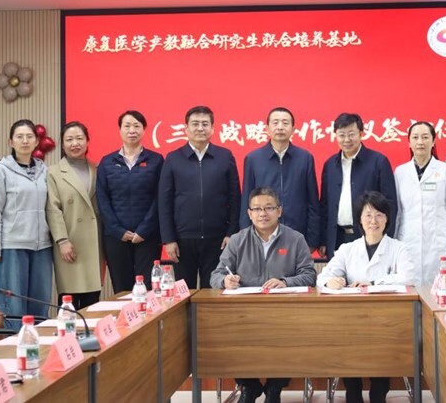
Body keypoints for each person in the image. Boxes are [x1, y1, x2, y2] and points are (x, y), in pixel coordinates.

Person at [210, 187, 316, 403]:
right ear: (249, 213)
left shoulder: (295, 239)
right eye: (257, 209)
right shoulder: (238, 240)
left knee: (291, 335)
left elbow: (310, 275)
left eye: (269, 208)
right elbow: (216, 275)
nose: (263, 214)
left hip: (285, 313)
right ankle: (249, 386)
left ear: (279, 211)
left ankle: (275, 388)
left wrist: (285, 282)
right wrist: (225, 281)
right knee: (228, 335)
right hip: (245, 314)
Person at [317, 191, 414, 403]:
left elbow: (408, 278)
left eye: (379, 215)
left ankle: (379, 393)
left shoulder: (398, 248)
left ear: (387, 219)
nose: (373, 221)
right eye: (368, 215)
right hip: (351, 320)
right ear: (360, 219)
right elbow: (322, 277)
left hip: (386, 320)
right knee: (347, 342)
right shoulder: (347, 249)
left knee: (384, 345)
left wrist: (374, 283)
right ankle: (353, 391)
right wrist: (330, 281)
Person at [160, 106, 241, 289]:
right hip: (183, 239)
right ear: (186, 128)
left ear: (212, 129)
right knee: (183, 292)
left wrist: (231, 233)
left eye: (205, 124)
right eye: (195, 124)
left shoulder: (224, 156)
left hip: (217, 239)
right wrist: (169, 239)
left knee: (213, 290)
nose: (200, 128)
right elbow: (164, 202)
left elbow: (235, 197)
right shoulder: (173, 158)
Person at [0, 119, 52, 325]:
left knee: (40, 303)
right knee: (13, 304)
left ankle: (40, 343)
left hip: (42, 245)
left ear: (36, 142)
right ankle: (15, 343)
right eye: (19, 137)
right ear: (11, 142)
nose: (25, 141)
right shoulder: (1, 170)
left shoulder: (44, 170)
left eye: (29, 137)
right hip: (12, 245)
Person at [96, 110, 164, 293]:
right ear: (120, 130)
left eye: (136, 126)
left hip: (148, 236)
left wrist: (144, 230)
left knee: (148, 289)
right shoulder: (107, 162)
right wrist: (118, 230)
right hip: (116, 237)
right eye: (127, 126)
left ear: (144, 130)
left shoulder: (156, 160)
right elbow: (102, 199)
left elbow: (160, 197)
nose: (132, 130)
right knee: (122, 289)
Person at [240, 107, 320, 249]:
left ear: (293, 129)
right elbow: (246, 200)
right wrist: (246, 237)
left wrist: (313, 240)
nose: (280, 127)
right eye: (275, 122)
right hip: (262, 235)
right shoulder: (253, 159)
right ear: (267, 128)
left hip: (297, 234)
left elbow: (312, 202)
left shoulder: (305, 158)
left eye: (285, 123)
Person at [319, 112, 397, 259]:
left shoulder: (378, 162)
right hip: (336, 238)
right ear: (335, 136)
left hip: (369, 235)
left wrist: (386, 237)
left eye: (351, 134)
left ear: (361, 134)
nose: (346, 140)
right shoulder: (330, 165)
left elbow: (390, 204)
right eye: (342, 135)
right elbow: (324, 205)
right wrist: (323, 239)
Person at [394, 121, 446, 286]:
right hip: (408, 238)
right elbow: (398, 211)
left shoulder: (444, 170)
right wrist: (394, 241)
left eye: (425, 137)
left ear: (433, 141)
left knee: (439, 286)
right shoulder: (400, 172)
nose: (420, 142)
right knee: (409, 284)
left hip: (437, 240)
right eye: (415, 137)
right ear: (409, 142)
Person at [46, 121, 102, 309]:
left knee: (92, 301)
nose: (75, 143)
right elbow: (52, 209)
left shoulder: (97, 169)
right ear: (62, 144)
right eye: (69, 139)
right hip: (69, 241)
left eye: (79, 138)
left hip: (93, 242)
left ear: (87, 141)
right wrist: (62, 240)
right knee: (69, 302)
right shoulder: (53, 172)